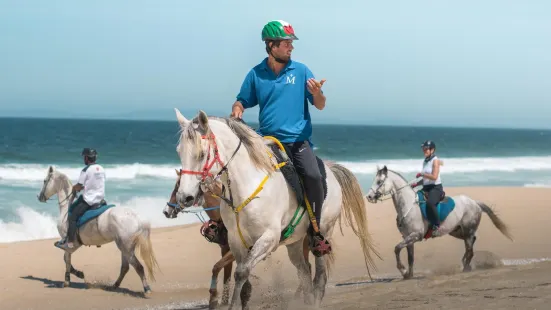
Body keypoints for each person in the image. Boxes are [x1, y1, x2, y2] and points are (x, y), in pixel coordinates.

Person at [230, 20, 330, 255]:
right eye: (286, 43)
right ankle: (230, 225)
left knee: (314, 177)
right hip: (267, 142)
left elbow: (321, 105)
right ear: (271, 45)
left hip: (297, 142)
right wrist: (238, 108)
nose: (291, 47)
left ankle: (315, 232)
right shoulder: (256, 74)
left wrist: (317, 93)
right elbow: (242, 99)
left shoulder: (302, 71)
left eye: (291, 43)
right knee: (235, 171)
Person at [55, 148, 106, 250]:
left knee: (72, 217)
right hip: (101, 199)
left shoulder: (85, 170)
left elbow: (79, 186)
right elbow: (96, 182)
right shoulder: (101, 168)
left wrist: (73, 188)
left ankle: (69, 242)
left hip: (89, 201)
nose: (84, 159)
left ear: (87, 158)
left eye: (84, 157)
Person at [412, 140, 443, 238]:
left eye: (426, 149)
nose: (424, 150)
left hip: (436, 188)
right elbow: (426, 178)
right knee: (415, 199)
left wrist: (421, 174)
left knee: (430, 203)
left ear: (432, 150)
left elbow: (434, 177)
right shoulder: (425, 161)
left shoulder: (436, 161)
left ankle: (437, 225)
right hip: (426, 187)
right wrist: (417, 183)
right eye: (423, 149)